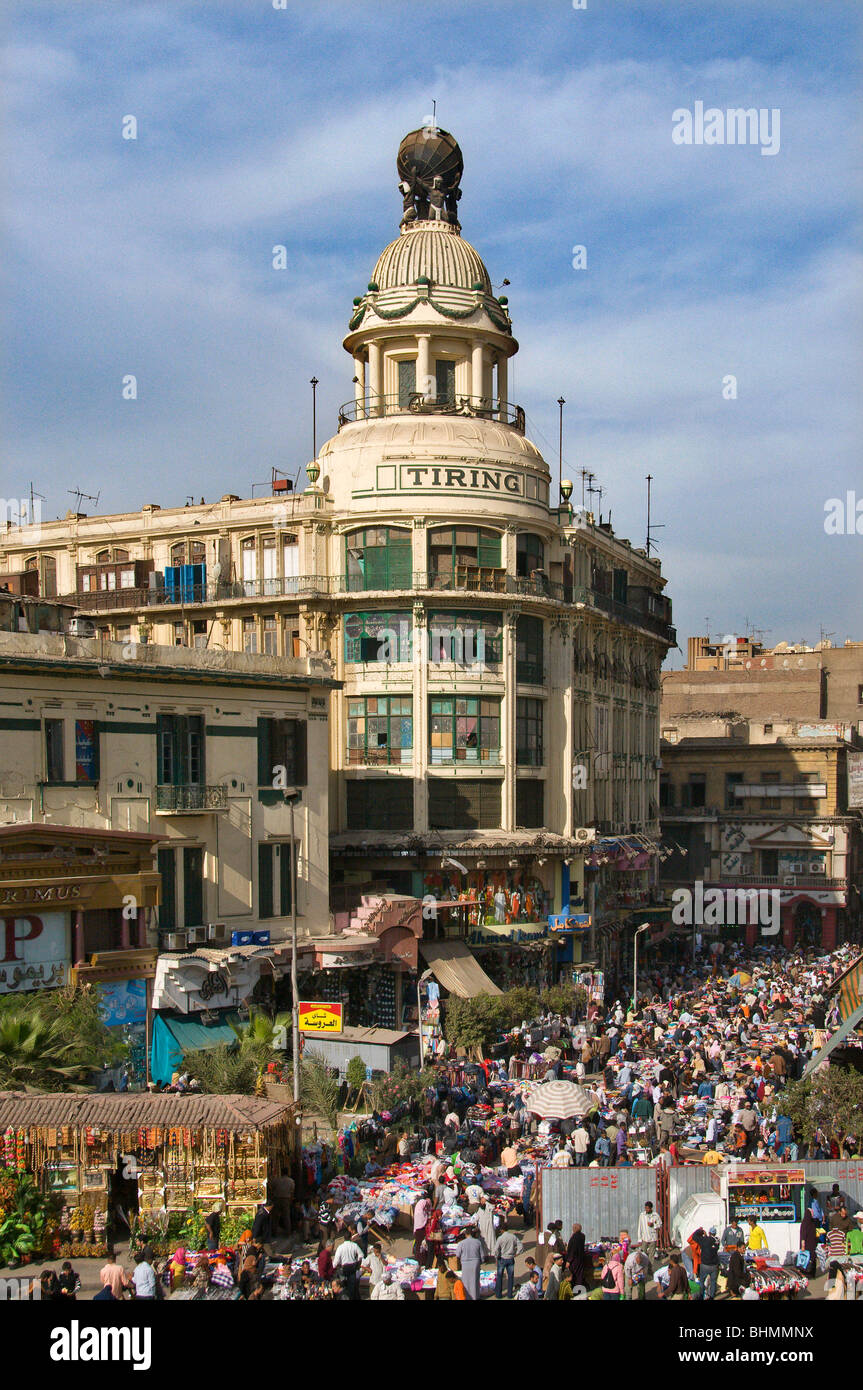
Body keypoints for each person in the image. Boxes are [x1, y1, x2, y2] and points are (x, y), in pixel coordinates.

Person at [332, 1228, 364, 1300]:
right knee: (351, 1288)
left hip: (344, 1269)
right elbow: (361, 1255)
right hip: (352, 1269)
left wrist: (333, 1267)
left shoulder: (340, 1247)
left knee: (343, 1287)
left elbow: (336, 1261)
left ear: (344, 1238)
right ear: (350, 1237)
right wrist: (358, 1264)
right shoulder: (354, 1245)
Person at [494, 1225, 523, 1300]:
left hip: (502, 1258)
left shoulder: (500, 1238)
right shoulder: (513, 1237)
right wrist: (517, 1253)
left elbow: (496, 1249)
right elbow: (520, 1245)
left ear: (502, 1230)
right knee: (510, 1277)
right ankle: (510, 1294)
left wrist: (497, 1257)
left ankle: (499, 1294)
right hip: (510, 1258)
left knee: (500, 1276)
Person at [458, 1226, 484, 1301]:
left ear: (466, 1234)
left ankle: (467, 1296)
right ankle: (476, 1296)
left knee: (466, 1281)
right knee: (475, 1280)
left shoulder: (462, 1243)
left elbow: (457, 1254)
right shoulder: (478, 1242)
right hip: (475, 1263)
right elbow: (482, 1255)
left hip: (465, 1263)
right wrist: (481, 1261)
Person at [694, 1227, 720, 1300]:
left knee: (702, 1281)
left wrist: (700, 1231)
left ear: (709, 1233)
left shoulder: (704, 1240)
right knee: (713, 1282)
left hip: (705, 1265)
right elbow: (711, 1241)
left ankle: (701, 1296)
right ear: (715, 1233)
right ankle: (711, 1297)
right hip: (714, 1265)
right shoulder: (717, 1240)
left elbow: (694, 1236)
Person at [637, 1201, 662, 1265]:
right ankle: (643, 1266)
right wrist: (639, 1238)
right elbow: (640, 1227)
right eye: (645, 1208)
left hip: (653, 1238)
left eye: (648, 1208)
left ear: (651, 1208)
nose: (646, 1210)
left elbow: (660, 1225)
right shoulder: (642, 1215)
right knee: (643, 1254)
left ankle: (650, 1268)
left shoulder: (655, 1215)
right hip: (644, 1237)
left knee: (651, 1255)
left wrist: (653, 1225)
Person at [799, 1208, 818, 1278]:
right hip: (806, 1245)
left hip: (812, 1245)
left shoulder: (812, 1222)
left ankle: (812, 1274)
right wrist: (803, 1246)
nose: (813, 1214)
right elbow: (803, 1235)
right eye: (811, 1212)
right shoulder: (805, 1223)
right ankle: (805, 1273)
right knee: (805, 1259)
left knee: (812, 1258)